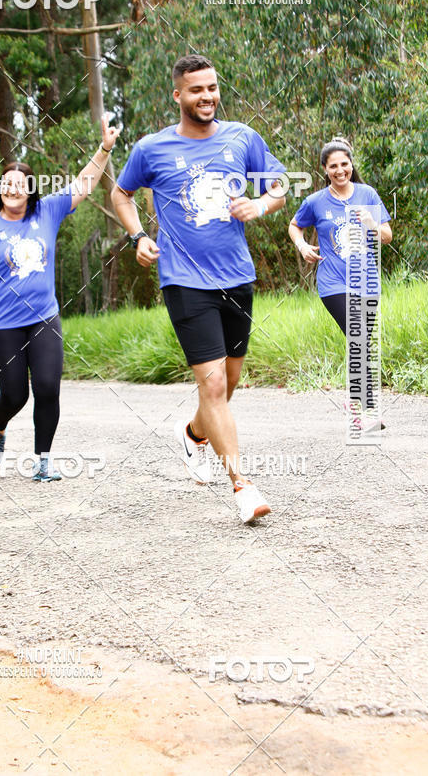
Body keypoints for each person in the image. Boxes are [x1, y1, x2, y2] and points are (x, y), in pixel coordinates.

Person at [111, 54, 286, 524]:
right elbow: (120, 194)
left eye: (211, 88)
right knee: (210, 383)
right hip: (184, 282)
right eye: (196, 90)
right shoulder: (151, 149)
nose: (206, 96)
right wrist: (138, 237)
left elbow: (279, 186)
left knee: (227, 384)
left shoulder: (242, 137)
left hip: (237, 276)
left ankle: (192, 433)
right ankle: (243, 487)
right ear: (177, 95)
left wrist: (262, 204)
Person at [0, 114, 121, 481]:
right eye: (6, 184)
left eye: (19, 184)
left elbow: (85, 182)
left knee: (47, 387)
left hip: (44, 316)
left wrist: (105, 147)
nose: (12, 189)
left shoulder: (46, 210)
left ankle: (43, 462)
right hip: (1, 324)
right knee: (15, 396)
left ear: (31, 189)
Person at [288, 137, 392, 428]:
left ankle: (354, 399)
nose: (340, 170)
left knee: (360, 341)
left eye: (344, 164)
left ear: (351, 164)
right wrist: (302, 247)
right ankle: (364, 414)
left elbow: (387, 235)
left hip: (367, 281)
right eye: (333, 166)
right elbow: (294, 225)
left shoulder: (367, 194)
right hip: (333, 282)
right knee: (358, 338)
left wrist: (370, 221)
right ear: (324, 168)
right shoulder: (316, 202)